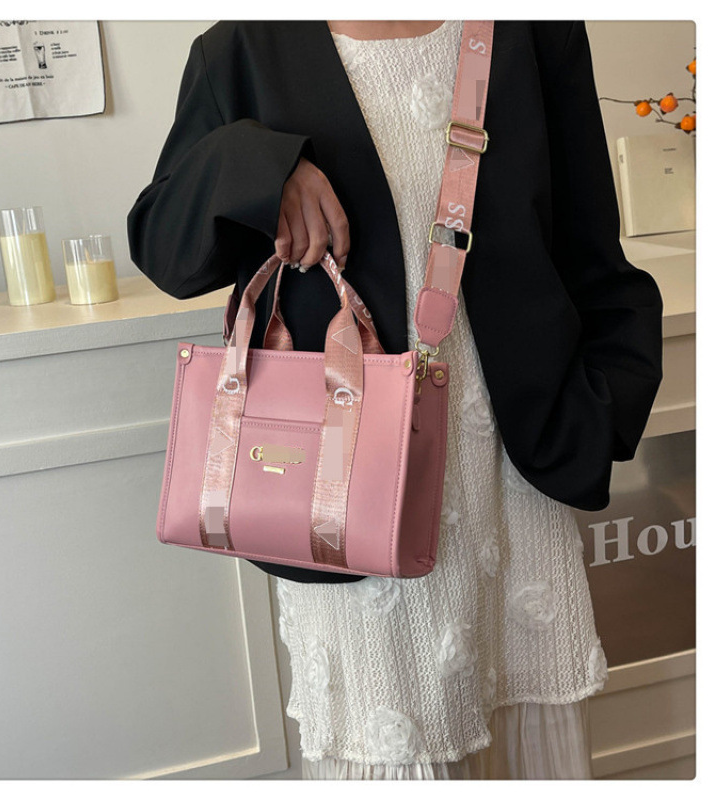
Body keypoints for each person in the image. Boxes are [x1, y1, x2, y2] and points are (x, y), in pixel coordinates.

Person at [127, 20, 663, 779]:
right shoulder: (244, 49)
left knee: (527, 746)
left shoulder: (533, 27)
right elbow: (164, 250)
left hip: (516, 477)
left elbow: (590, 243)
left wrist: (603, 408)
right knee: (392, 753)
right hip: (347, 495)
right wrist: (265, 167)